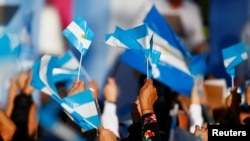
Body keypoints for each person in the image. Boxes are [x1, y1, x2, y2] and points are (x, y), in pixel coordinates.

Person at [135, 0, 208, 54]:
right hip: (153, 56)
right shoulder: (151, 5)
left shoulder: (193, 9)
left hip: (181, 62)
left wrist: (203, 56)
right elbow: (138, 31)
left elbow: (198, 40)